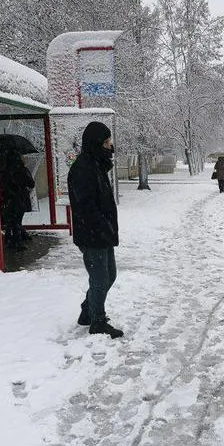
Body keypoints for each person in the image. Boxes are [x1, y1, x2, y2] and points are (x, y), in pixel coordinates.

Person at [67, 121, 123, 339]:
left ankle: (87, 311)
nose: (110, 146)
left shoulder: (96, 165)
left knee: (110, 276)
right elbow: (86, 207)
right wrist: (101, 226)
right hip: (92, 235)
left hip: (102, 233)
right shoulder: (83, 169)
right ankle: (97, 321)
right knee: (100, 278)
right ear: (97, 143)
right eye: (107, 142)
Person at [0, 143, 36, 251]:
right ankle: (15, 243)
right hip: (19, 199)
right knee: (17, 221)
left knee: (11, 221)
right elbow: (31, 183)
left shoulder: (4, 170)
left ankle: (10, 241)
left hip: (8, 199)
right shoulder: (21, 169)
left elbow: (2, 184)